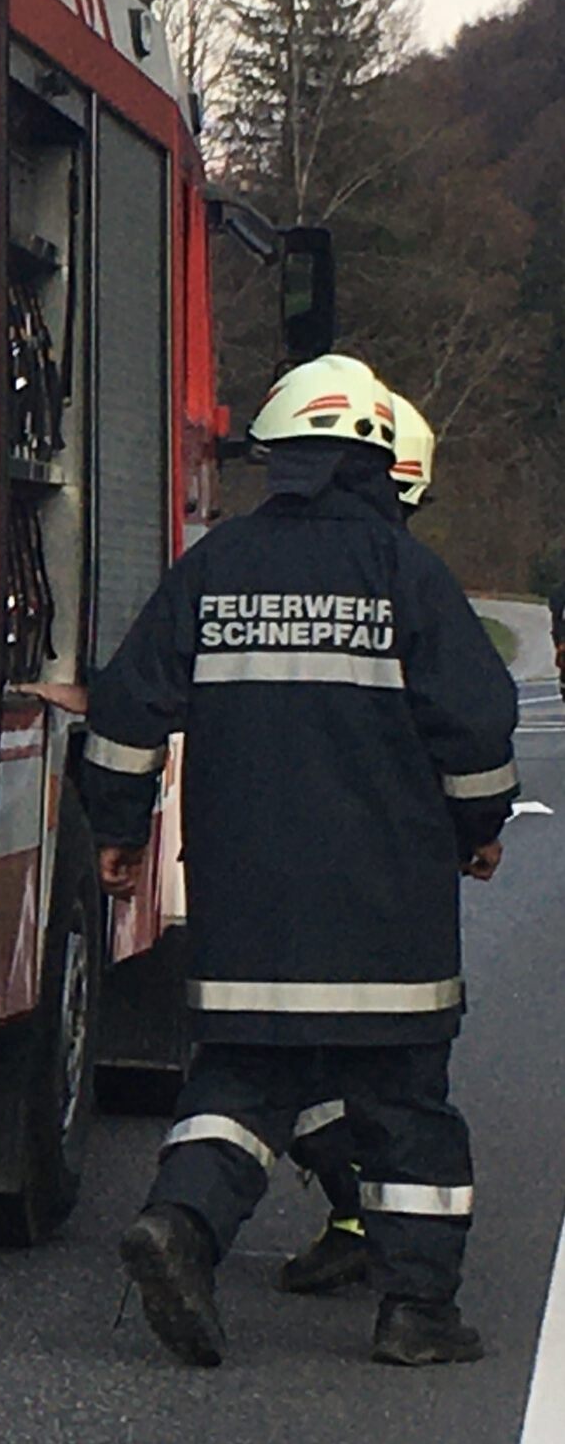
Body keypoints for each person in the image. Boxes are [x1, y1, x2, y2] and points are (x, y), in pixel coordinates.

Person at [88, 356, 516, 1369]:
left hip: (245, 905)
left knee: (237, 1086)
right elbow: (476, 723)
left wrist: (116, 824)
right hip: (388, 910)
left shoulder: (214, 565)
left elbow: (126, 706)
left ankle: (180, 1229)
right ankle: (415, 1312)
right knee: (405, 1106)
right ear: (378, 463)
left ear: (275, 459)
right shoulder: (403, 573)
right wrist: (476, 830)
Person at [277, 389, 445, 1294]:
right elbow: (468, 725)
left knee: (293, 1061)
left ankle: (364, 1221)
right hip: (391, 885)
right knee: (391, 1075)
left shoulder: (363, 578)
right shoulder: (408, 583)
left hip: (306, 876)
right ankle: (381, 1239)